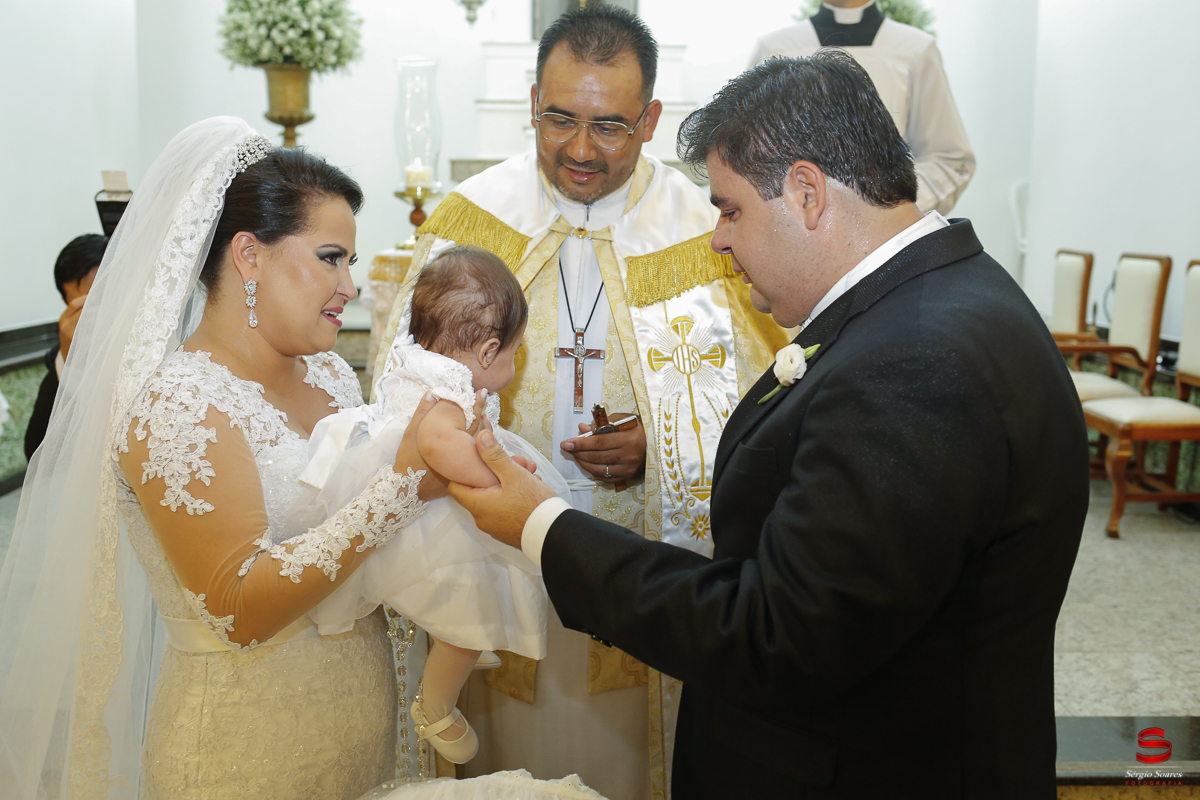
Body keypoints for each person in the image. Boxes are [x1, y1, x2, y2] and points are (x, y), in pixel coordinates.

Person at [448, 52, 1090, 798]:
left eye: (730, 210)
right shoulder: (942, 300)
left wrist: (543, 526)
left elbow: (776, 635)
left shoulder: (911, 362)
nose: (718, 240)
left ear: (807, 193)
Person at [373, 7, 790, 798]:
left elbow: (774, 405)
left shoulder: (706, 233)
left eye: (610, 127)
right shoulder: (472, 220)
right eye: (560, 118)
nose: (581, 149)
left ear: (651, 121)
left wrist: (662, 449)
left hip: (641, 576)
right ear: (533, 102)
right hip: (488, 564)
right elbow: (397, 391)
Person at [0, 117, 469, 800]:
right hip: (243, 748)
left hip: (363, 719)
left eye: (350, 262)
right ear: (249, 254)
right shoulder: (177, 405)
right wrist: (400, 488)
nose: (350, 286)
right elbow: (238, 608)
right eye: (331, 258)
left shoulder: (332, 377)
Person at [291, 246, 568, 765]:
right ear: (487, 351)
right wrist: (497, 475)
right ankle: (436, 706)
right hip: (426, 516)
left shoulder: (425, 362)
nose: (513, 364)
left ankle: (459, 644)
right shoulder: (449, 389)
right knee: (469, 612)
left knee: (471, 600)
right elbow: (438, 446)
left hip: (416, 508)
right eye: (514, 353)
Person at [748, 0, 975, 215]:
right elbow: (747, 156)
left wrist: (892, 204)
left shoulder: (915, 48)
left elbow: (949, 159)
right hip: (794, 223)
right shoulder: (775, 48)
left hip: (888, 228)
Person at [24, 233, 107, 458]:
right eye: (86, 304)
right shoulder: (59, 360)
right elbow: (36, 454)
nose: (102, 312)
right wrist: (69, 360)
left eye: (106, 295)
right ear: (66, 303)